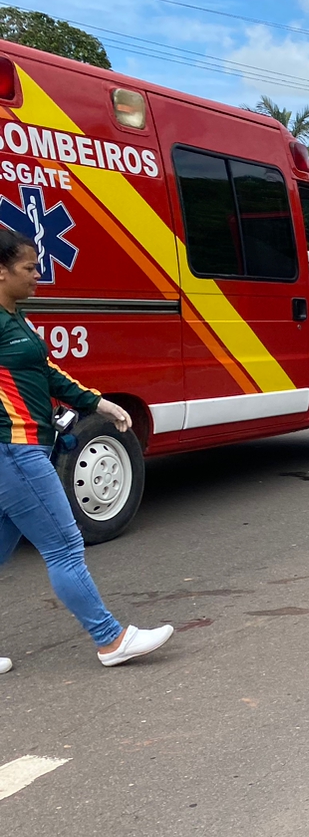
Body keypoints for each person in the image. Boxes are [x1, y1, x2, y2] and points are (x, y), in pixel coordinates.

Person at [0, 226, 173, 671]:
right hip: (15, 449)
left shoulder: (14, 316)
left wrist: (99, 403)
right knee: (64, 547)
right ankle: (110, 639)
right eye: (28, 268)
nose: (38, 275)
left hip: (22, 448)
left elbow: (49, 374)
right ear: (1, 272)